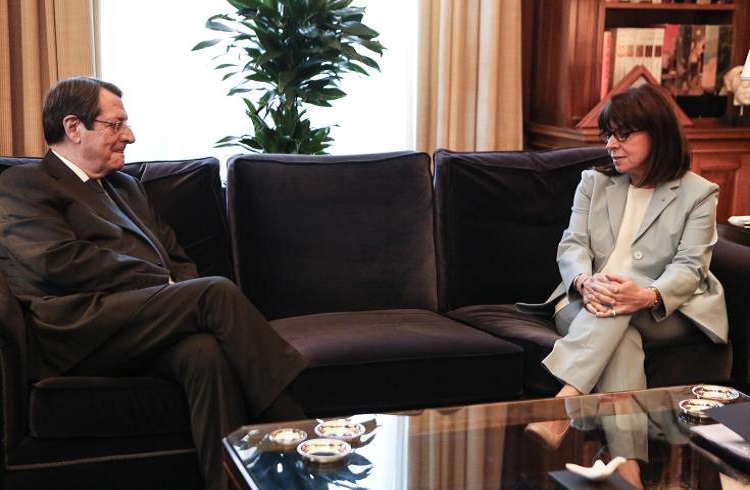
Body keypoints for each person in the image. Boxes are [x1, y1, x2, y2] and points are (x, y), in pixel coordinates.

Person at [0, 76, 308, 490]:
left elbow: (175, 257)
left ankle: (229, 483)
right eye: (115, 124)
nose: (129, 135)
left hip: (141, 325)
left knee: (203, 353)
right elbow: (55, 262)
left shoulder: (126, 187)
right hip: (75, 329)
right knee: (214, 293)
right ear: (73, 127)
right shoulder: (22, 184)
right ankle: (301, 433)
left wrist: (172, 287)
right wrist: (167, 286)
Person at [520, 83, 728, 469]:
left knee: (618, 311)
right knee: (622, 337)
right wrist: (584, 281)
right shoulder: (594, 184)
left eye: (624, 134)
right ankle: (628, 466)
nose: (611, 144)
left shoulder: (698, 192)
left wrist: (646, 295)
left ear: (658, 133)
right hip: (588, 299)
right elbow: (572, 245)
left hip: (665, 308)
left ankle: (563, 403)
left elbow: (690, 266)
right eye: (608, 134)